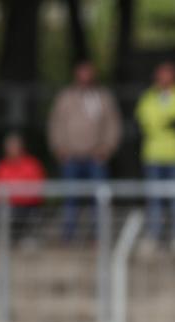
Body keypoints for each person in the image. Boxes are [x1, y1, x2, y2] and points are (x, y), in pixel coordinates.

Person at [47, 60, 122, 241]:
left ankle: (99, 235)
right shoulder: (65, 97)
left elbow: (113, 125)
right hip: (70, 157)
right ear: (76, 74)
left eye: (89, 73)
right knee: (70, 198)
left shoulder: (103, 97)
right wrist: (59, 148)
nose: (85, 77)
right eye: (82, 73)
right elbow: (55, 124)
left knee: (99, 198)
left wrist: (107, 148)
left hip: (96, 157)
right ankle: (69, 234)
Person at [135, 61, 175, 255]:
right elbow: (145, 119)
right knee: (154, 198)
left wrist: (160, 120)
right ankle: (154, 235)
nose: (164, 78)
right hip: (153, 155)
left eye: (168, 74)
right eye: (161, 74)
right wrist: (166, 120)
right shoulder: (148, 97)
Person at [0, 132, 46, 249]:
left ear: (21, 147)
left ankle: (27, 238)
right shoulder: (1, 166)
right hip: (7, 206)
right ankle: (4, 241)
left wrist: (18, 195)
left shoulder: (32, 164)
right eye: (10, 146)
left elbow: (37, 189)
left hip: (27, 205)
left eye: (15, 146)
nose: (13, 149)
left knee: (26, 212)